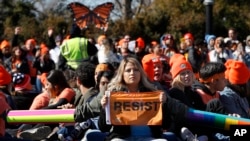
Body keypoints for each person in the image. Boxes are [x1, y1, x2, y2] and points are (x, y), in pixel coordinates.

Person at [98, 56, 168, 141]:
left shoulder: (152, 92)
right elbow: (103, 128)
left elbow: (167, 124)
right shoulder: (114, 94)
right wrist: (105, 108)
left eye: (136, 70)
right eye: (128, 70)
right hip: (123, 138)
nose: (132, 73)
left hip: (149, 137)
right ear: (122, 74)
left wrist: (163, 105)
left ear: (140, 73)